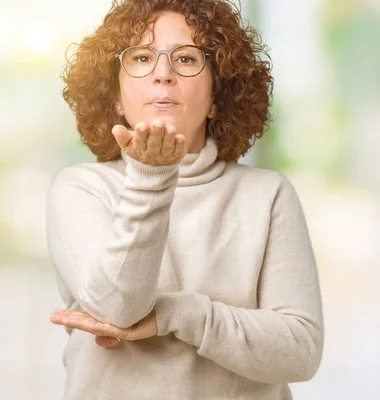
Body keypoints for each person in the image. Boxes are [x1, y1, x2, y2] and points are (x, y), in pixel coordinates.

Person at [45, 0, 324, 399]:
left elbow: (301, 353)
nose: (163, 73)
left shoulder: (268, 194)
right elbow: (117, 308)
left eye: (187, 58)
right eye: (142, 57)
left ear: (217, 96)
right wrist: (150, 177)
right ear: (116, 98)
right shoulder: (80, 188)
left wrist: (178, 315)